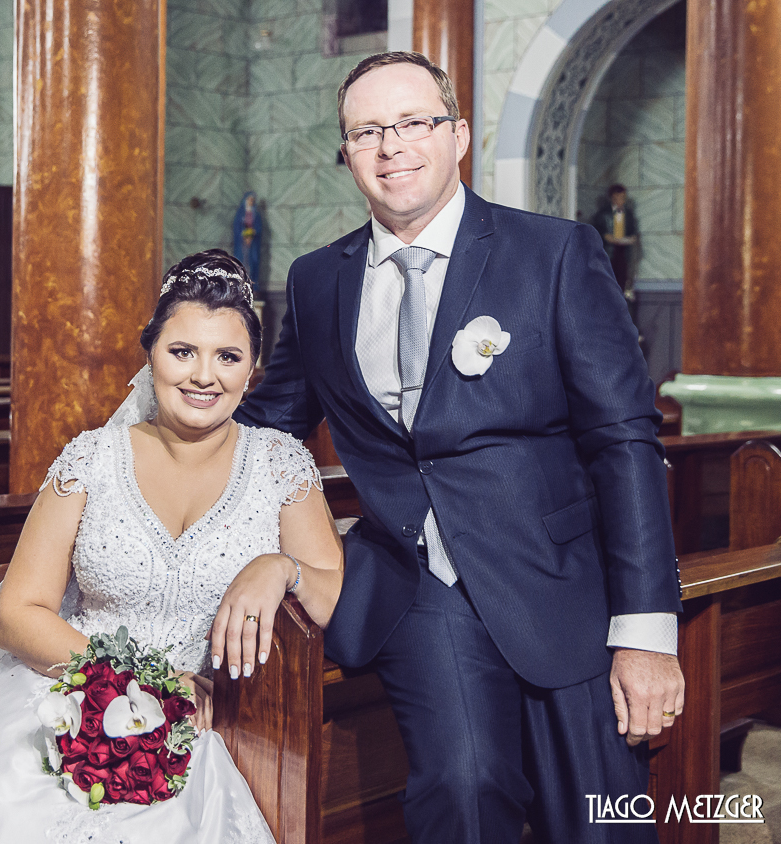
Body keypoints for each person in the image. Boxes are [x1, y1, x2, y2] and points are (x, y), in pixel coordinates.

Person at [236, 51, 684, 844]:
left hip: (561, 582)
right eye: (366, 131)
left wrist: (646, 632)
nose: (391, 146)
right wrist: (152, 455)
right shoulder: (316, 280)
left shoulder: (553, 253)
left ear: (459, 135)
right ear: (346, 153)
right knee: (462, 790)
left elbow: (623, 441)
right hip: (417, 586)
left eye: (413, 122)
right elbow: (271, 426)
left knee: (604, 820)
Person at [0, 249, 344, 844]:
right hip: (71, 694)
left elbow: (326, 589)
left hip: (219, 725)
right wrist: (150, 685)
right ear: (151, 354)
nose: (203, 376)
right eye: (182, 351)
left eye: (228, 356)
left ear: (252, 367)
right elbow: (17, 614)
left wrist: (280, 567)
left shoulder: (280, 466)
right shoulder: (92, 460)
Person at [592, 183, 640, 297]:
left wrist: (631, 238)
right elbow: (597, 232)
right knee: (607, 281)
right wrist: (606, 236)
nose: (620, 201)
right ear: (612, 198)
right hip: (608, 252)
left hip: (623, 252)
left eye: (622, 198)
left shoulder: (628, 214)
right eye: (617, 198)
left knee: (622, 280)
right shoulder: (603, 214)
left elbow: (633, 231)